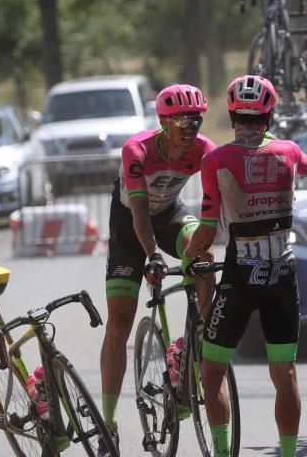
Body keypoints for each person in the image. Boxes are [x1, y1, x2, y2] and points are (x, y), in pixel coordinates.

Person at [183, 75, 307, 457]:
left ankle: (223, 454)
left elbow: (206, 232)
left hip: (241, 275)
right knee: (285, 372)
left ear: (232, 114)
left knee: (212, 370)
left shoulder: (216, 160)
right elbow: (306, 167)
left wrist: (189, 259)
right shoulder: (288, 151)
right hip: (282, 274)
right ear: (269, 116)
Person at [98, 83, 216, 452]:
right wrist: (152, 255)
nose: (189, 127)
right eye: (181, 119)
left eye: (195, 119)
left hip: (169, 214)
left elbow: (231, 171)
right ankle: (109, 420)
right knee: (119, 323)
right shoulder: (138, 149)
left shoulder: (203, 150)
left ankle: (191, 345)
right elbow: (137, 213)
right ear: (164, 122)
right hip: (130, 224)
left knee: (206, 262)